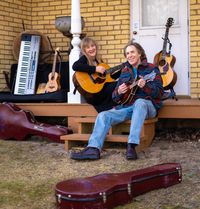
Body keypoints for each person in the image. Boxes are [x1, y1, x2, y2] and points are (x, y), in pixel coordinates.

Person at [70, 41, 164, 161]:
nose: (130, 55)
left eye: (132, 52)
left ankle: (131, 146)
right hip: (129, 107)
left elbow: (159, 93)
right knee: (103, 115)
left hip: (148, 106)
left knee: (140, 102)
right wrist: (118, 92)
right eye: (127, 53)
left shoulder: (151, 69)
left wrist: (145, 86)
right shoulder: (125, 71)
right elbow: (115, 98)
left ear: (139, 53)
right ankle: (93, 148)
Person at [72, 37, 121, 113]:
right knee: (114, 86)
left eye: (92, 46)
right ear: (84, 50)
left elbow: (109, 78)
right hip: (93, 94)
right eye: (88, 47)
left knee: (117, 83)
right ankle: (109, 108)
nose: (91, 48)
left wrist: (121, 71)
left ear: (96, 46)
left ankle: (115, 107)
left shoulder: (99, 61)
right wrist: (95, 69)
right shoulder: (84, 59)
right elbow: (75, 66)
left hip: (100, 90)